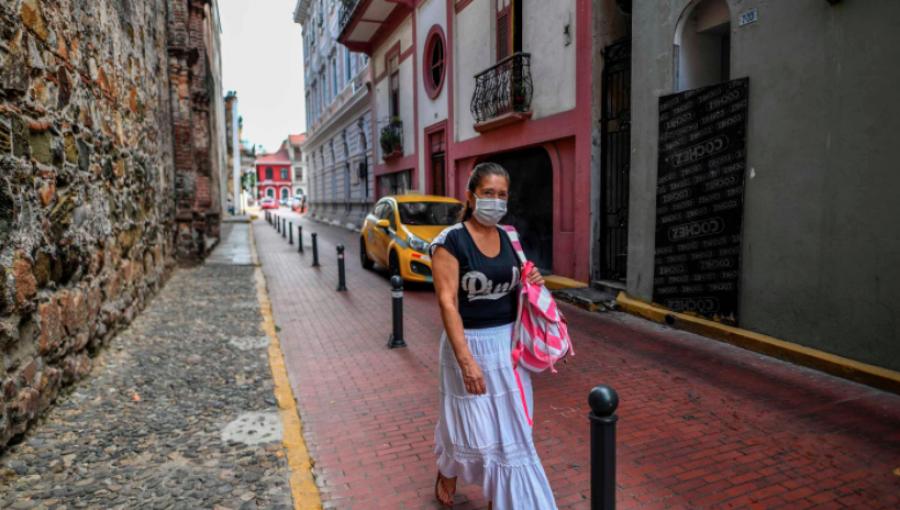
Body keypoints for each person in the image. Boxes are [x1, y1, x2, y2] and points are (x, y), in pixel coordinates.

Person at [430, 162, 557, 509]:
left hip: (508, 347)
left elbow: (520, 282)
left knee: (514, 429)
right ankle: (449, 468)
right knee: (473, 430)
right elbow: (447, 304)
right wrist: (466, 361)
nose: (496, 202)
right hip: (466, 346)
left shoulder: (509, 237)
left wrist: (533, 282)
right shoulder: (450, 242)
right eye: (488, 194)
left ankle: (504, 496)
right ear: (471, 197)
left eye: (502, 195)